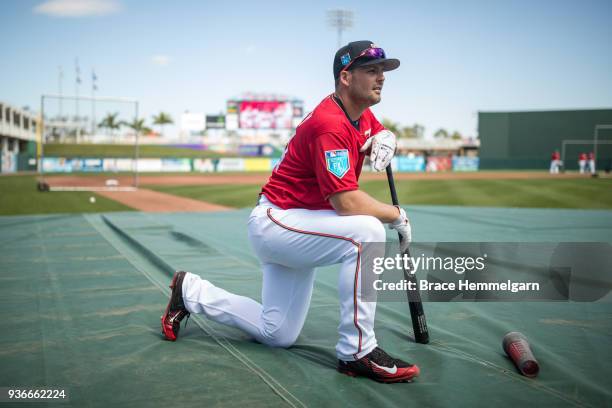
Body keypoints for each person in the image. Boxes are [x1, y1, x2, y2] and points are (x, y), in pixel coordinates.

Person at [161, 41, 420, 383]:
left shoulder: (357, 111)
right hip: (278, 223)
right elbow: (345, 203)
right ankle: (358, 351)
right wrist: (395, 214)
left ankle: (190, 291)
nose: (381, 78)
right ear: (346, 77)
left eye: (383, 71)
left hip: (302, 224)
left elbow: (372, 129)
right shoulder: (329, 123)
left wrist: (386, 136)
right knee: (367, 232)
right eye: (371, 71)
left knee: (277, 333)